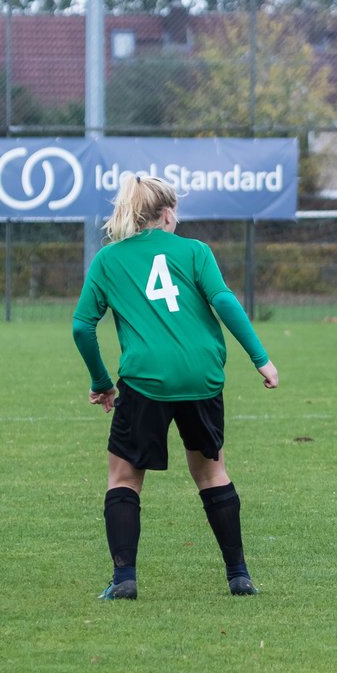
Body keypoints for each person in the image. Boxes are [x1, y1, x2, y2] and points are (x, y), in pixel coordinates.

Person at [71, 174, 279, 600]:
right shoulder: (195, 251)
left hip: (145, 377)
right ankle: (238, 575)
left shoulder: (109, 260)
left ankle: (124, 579)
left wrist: (101, 382)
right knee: (211, 472)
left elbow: (82, 327)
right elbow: (224, 302)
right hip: (201, 375)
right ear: (167, 213)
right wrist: (261, 358)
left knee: (124, 477)